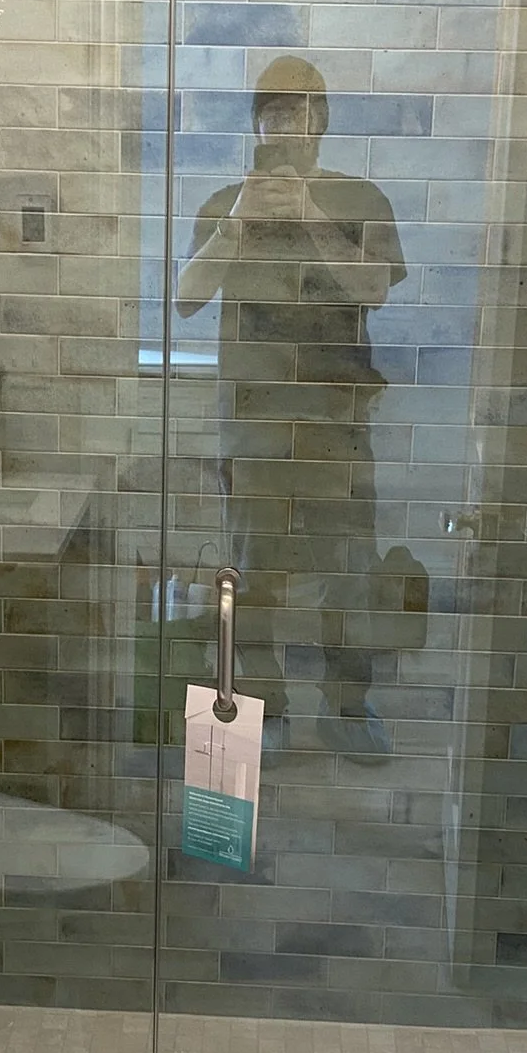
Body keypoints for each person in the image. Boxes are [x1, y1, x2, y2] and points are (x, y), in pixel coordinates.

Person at [176, 57, 406, 756]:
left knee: (350, 573)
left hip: (338, 421)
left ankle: (348, 704)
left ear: (321, 123)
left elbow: (373, 290)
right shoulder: (228, 203)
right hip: (254, 424)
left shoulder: (360, 198)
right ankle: (263, 705)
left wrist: (310, 213)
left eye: (299, 112)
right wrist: (237, 223)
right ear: (256, 125)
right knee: (255, 574)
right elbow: (186, 299)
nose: (284, 126)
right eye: (272, 113)